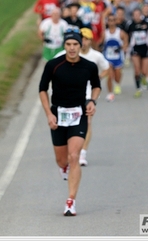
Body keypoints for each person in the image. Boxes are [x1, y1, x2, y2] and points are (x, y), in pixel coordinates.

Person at [39, 28, 101, 216]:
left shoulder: (89, 66)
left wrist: (92, 101)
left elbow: (96, 86)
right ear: (64, 46)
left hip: (78, 114)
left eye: (75, 44)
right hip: (58, 115)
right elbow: (42, 90)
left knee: (74, 156)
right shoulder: (53, 65)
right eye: (68, 45)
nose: (72, 48)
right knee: (61, 160)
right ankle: (64, 167)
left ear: (80, 45)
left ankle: (70, 201)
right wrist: (49, 114)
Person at [54, 28, 109, 166]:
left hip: (87, 95)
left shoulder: (96, 56)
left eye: (86, 39)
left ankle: (82, 153)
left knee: (87, 122)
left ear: (90, 41)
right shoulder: (62, 55)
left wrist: (97, 78)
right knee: (67, 125)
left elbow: (107, 68)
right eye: (81, 39)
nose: (83, 42)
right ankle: (71, 149)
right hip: (66, 98)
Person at [126, 8, 148, 98]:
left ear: (141, 15)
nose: (136, 16)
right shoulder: (130, 25)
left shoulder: (147, 24)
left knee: (145, 71)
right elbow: (126, 37)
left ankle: (143, 78)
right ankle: (138, 88)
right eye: (135, 15)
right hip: (135, 49)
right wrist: (127, 51)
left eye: (138, 14)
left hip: (145, 49)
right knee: (137, 70)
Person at [102, 13, 129, 102]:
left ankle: (117, 83)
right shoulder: (105, 33)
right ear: (107, 22)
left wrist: (122, 47)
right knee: (109, 75)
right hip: (108, 57)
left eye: (113, 20)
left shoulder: (120, 32)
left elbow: (126, 41)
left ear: (116, 21)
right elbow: (100, 43)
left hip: (118, 57)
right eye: (110, 20)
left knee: (117, 76)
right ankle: (110, 93)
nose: (111, 22)